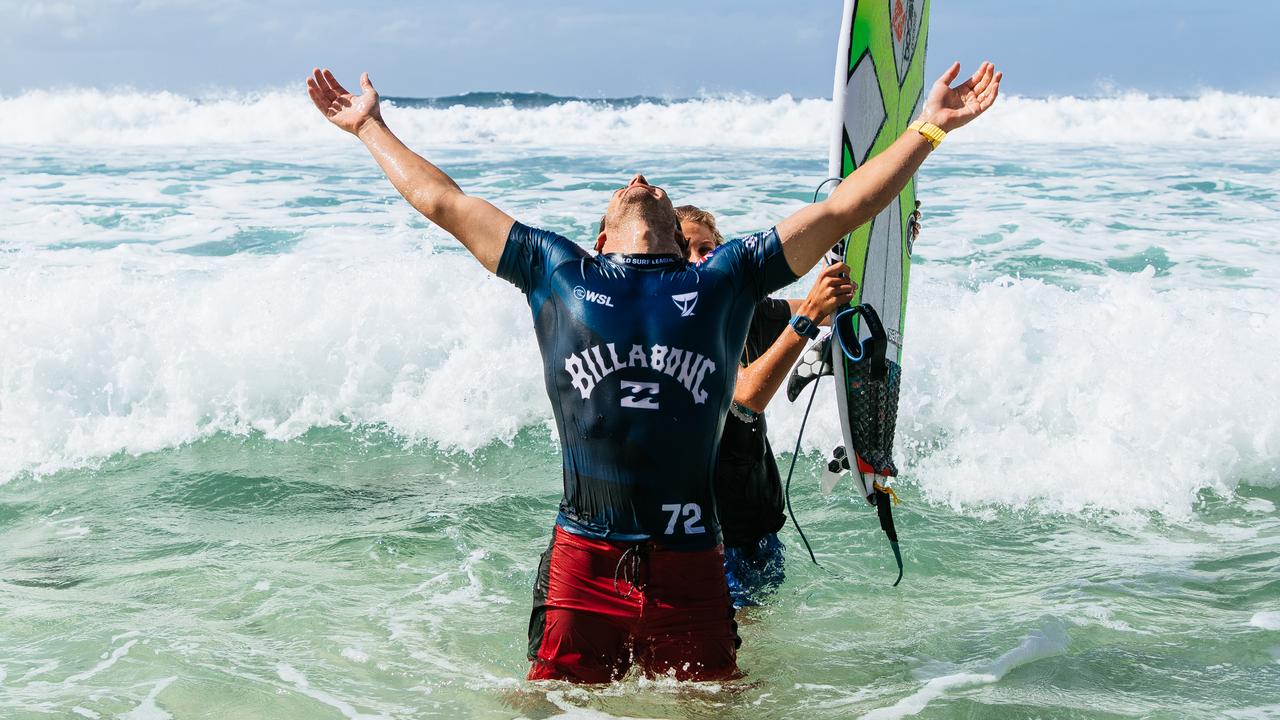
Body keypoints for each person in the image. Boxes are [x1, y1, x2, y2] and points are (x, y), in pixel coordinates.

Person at [306, 60, 1000, 683]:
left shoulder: (729, 277)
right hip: (583, 556)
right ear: (601, 235)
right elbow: (445, 203)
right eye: (626, 184)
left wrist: (929, 129)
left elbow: (845, 206)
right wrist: (370, 127)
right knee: (547, 705)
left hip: (693, 559)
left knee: (715, 706)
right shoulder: (556, 269)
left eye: (655, 184)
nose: (641, 181)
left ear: (676, 227)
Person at [678, 205, 853, 607]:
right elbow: (745, 396)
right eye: (684, 251)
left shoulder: (749, 311)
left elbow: (830, 311)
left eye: (706, 247)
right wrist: (809, 313)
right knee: (735, 660)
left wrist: (883, 249)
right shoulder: (680, 325)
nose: (698, 258)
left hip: (757, 524)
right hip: (712, 537)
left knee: (758, 653)